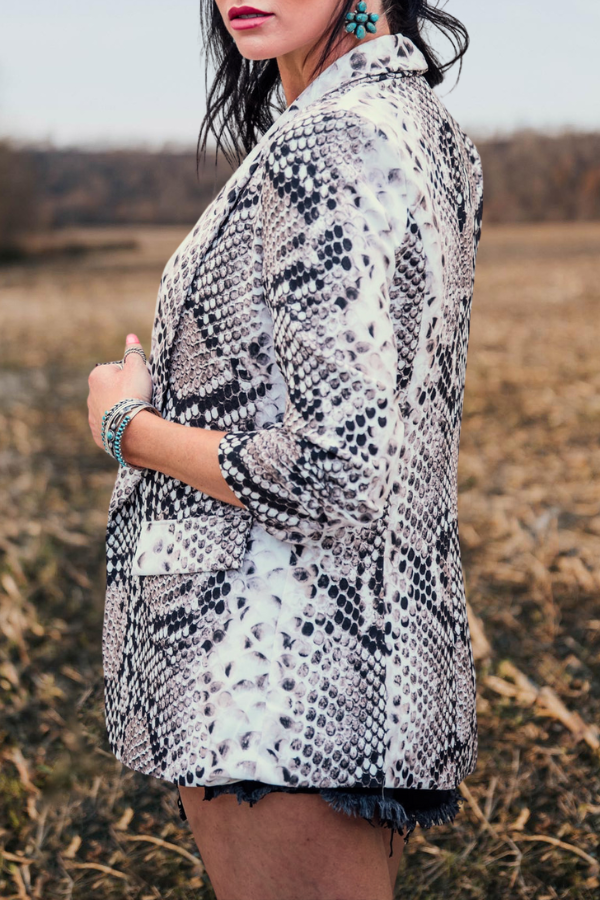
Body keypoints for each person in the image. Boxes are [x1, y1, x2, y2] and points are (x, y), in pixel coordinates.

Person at [87, 1, 484, 897]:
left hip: (274, 674)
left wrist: (129, 429)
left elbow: (335, 472)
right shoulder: (418, 124)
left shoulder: (334, 142)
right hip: (356, 669)